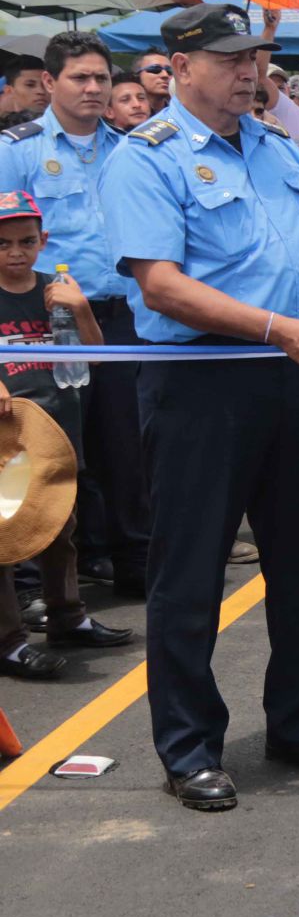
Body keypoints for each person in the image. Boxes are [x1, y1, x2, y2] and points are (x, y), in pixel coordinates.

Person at [97, 2, 299, 812]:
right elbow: (162, 286)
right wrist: (282, 331)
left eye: (255, 58)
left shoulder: (278, 148)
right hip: (203, 383)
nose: (249, 72)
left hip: (294, 376)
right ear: (178, 67)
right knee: (191, 572)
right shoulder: (147, 158)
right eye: (228, 58)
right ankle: (188, 746)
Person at [0, 32, 151, 599]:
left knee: (126, 444)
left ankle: (132, 558)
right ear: (48, 83)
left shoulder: (131, 149)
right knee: (52, 448)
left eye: (101, 78)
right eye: (79, 78)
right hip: (44, 322)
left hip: (123, 318)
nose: (92, 88)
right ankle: (42, 584)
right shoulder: (18, 150)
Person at [0, 190, 133, 678]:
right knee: (7, 539)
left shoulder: (55, 290)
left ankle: (67, 617)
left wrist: (80, 308)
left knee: (60, 529)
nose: (15, 252)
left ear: (44, 241)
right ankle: (9, 640)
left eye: (26, 241)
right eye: (3, 244)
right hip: (7, 440)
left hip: (57, 426)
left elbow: (96, 356)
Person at [132, 50, 173, 115]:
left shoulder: (181, 114)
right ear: (137, 76)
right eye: (155, 70)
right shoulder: (130, 116)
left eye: (169, 71)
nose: (165, 75)